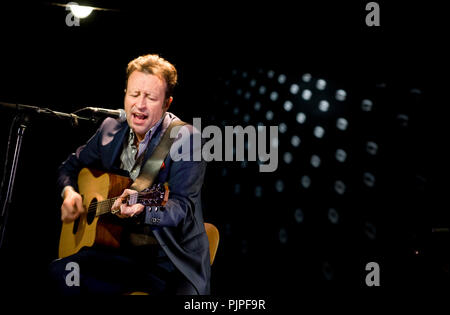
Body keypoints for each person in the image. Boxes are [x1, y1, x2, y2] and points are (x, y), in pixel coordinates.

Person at [49, 54, 210, 295]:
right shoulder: (110, 129)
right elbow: (69, 167)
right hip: (114, 250)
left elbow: (181, 209)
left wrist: (145, 211)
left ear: (167, 103)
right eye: (134, 95)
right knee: (57, 273)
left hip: (163, 262)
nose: (140, 105)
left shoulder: (186, 139)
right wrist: (70, 193)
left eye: (151, 98)